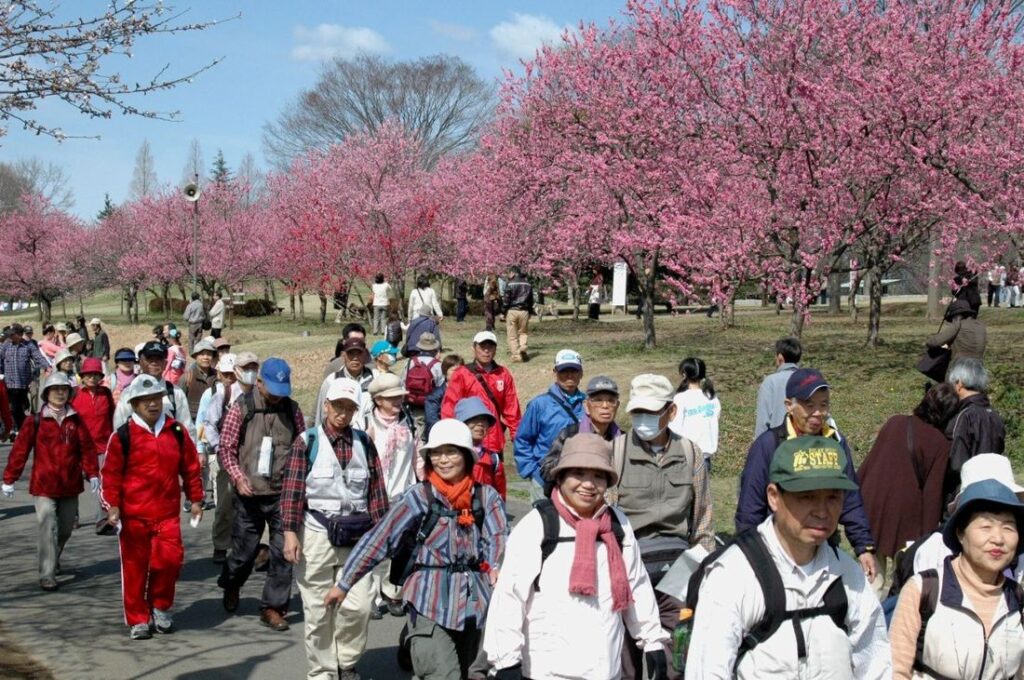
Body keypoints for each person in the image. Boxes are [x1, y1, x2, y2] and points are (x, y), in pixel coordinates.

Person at [686, 436, 891, 679]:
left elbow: (875, 664)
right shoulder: (733, 575)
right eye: (807, 496)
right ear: (774, 497)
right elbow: (707, 671)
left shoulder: (848, 576)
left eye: (833, 497)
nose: (822, 511)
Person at [325, 419, 508, 680]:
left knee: (470, 674)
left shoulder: (486, 497)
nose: (443, 459)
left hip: (473, 604)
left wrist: (495, 567)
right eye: (437, 453)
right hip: (428, 600)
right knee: (444, 675)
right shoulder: (419, 496)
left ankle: (412, 646)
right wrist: (345, 583)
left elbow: (498, 536)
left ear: (467, 456)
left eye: (451, 451)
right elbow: (380, 538)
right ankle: (416, 641)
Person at [485, 434, 668, 680]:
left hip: (605, 669)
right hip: (546, 671)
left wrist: (652, 639)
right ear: (560, 477)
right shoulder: (539, 525)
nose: (588, 484)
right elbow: (509, 596)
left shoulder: (617, 525)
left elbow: (636, 584)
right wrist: (506, 662)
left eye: (598, 475)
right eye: (579, 473)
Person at [280, 377, 389, 680]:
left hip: (357, 535)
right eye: (337, 405)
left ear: (356, 410)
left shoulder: (364, 443)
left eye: (349, 407)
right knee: (317, 611)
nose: (342, 412)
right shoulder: (307, 442)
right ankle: (323, 672)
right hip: (315, 533)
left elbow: (377, 493)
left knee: (360, 606)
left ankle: (346, 662)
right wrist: (289, 533)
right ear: (326, 405)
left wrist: (383, 537)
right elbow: (292, 492)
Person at [612, 373, 715, 680]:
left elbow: (704, 516)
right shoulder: (615, 452)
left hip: (677, 570)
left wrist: (698, 565)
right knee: (623, 661)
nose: (643, 420)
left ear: (671, 412)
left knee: (677, 661)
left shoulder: (690, 452)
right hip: (629, 566)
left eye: (652, 412)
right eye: (638, 413)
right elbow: (607, 518)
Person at [737, 368, 878, 580]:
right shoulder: (769, 445)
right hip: (777, 552)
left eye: (823, 405)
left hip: (823, 548)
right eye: (809, 405)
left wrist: (863, 546)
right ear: (789, 406)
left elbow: (851, 499)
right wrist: (750, 553)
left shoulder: (835, 443)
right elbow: (750, 507)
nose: (817, 413)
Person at [100, 374, 204, 639]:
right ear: (134, 404)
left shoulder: (176, 431)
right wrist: (112, 506)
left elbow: (191, 468)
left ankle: (160, 607)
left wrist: (195, 499)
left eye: (156, 398)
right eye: (145, 400)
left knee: (169, 562)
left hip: (167, 515)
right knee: (135, 569)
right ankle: (138, 619)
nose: (153, 404)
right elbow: (110, 476)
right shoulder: (122, 436)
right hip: (134, 516)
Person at [890, 478, 1024, 678]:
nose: (998, 539)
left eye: (1008, 527)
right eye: (985, 526)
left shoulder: (1017, 598)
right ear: (961, 533)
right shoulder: (924, 589)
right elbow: (896, 670)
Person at [217, 358, 305, 632]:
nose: (278, 396)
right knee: (243, 554)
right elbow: (225, 449)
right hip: (249, 494)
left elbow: (304, 446)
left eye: (283, 390)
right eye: (272, 389)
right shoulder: (240, 409)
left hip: (283, 495)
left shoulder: (292, 410)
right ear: (259, 382)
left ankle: (273, 607)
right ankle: (232, 582)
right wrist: (238, 477)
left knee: (282, 554)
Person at [857, 383, 958, 593]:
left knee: (870, 577)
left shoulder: (895, 422)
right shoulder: (940, 444)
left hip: (871, 503)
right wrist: (929, 536)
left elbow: (870, 462)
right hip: (905, 516)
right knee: (903, 580)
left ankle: (863, 619)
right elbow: (932, 494)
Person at [2, 372, 98, 591]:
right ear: (46, 394)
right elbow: (20, 451)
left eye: (64, 389)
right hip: (44, 485)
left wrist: (92, 473)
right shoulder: (34, 420)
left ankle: (54, 558)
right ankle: (47, 573)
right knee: (47, 526)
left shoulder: (76, 419)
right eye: (55, 390)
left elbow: (87, 449)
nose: (60, 393)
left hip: (70, 484)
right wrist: (9, 478)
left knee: (64, 530)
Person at [364, 372, 418, 618]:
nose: (398, 401)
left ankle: (393, 591)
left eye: (399, 397)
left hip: (403, 494)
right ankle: (372, 596)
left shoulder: (407, 421)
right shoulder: (366, 425)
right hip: (375, 496)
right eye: (392, 398)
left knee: (401, 547)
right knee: (375, 547)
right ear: (378, 400)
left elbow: (416, 455)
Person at [205, 351, 259, 564]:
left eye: (253, 368)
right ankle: (220, 545)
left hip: (253, 459)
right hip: (227, 458)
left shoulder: (260, 393)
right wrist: (220, 447)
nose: (250, 373)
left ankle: (250, 548)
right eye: (245, 368)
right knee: (225, 505)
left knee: (252, 504)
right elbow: (209, 424)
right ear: (236, 370)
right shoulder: (224, 395)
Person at [514, 349, 585, 502]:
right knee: (545, 524)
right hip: (544, 480)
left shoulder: (589, 404)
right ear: (555, 372)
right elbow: (523, 440)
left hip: (580, 482)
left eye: (574, 370)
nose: (569, 375)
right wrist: (533, 473)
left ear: (581, 373)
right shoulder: (539, 404)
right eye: (564, 371)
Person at [441, 330, 521, 459]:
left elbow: (512, 409)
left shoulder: (503, 374)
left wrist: (517, 437)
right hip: (468, 440)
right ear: (474, 348)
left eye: (490, 347)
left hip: (495, 440)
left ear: (495, 349)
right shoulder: (462, 374)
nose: (486, 351)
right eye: (482, 347)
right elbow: (450, 406)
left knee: (495, 476)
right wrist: (451, 436)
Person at [539, 375, 624, 490]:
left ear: (617, 406)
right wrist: (574, 459)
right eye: (598, 400)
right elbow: (546, 470)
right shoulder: (570, 434)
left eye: (611, 401)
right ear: (586, 406)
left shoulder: (623, 440)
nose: (605, 406)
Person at [944, 358, 1006, 506]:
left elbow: (956, 463)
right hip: (992, 489)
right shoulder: (995, 415)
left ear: (959, 384)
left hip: (965, 493)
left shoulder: (964, 416)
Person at [113, 341, 195, 443]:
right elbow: (119, 426)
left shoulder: (175, 393)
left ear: (165, 363)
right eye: (150, 359)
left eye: (159, 359)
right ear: (141, 362)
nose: (154, 363)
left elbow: (187, 429)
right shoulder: (129, 392)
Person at [668, 357, 720, 473]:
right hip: (705, 459)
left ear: (684, 374)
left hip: (684, 459)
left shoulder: (680, 399)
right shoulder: (712, 398)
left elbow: (674, 429)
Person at [314, 337, 376, 429]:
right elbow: (321, 414)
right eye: (351, 353)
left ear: (365, 355)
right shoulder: (331, 381)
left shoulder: (375, 378)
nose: (355, 358)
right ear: (344, 355)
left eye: (359, 353)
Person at [0, 322, 52, 432]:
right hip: (9, 383)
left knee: (21, 407)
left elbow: (38, 357)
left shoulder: (28, 346)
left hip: (23, 383)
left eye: (12, 334)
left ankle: (24, 428)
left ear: (19, 334)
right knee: (14, 408)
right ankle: (22, 428)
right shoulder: (6, 345)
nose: (9, 336)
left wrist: (47, 367)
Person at [456, 396, 507, 500]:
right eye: (474, 419)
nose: (480, 424)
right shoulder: (450, 456)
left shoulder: (493, 459)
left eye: (484, 420)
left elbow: (499, 495)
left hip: (483, 513)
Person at [754, 337, 802, 436]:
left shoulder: (770, 382)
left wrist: (759, 445)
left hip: (778, 443)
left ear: (780, 358)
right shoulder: (807, 379)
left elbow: (763, 421)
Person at [926, 298, 987, 375]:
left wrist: (930, 339)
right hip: (979, 367)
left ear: (957, 316)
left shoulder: (958, 324)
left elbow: (935, 342)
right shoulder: (981, 326)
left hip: (960, 367)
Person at [402, 332, 444, 437]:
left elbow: (402, 381)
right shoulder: (437, 365)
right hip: (431, 405)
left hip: (412, 403)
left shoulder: (410, 362)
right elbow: (441, 387)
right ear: (434, 348)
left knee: (415, 430)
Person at [424, 354, 464, 441]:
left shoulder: (467, 393)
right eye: (454, 370)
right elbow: (431, 421)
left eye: (460, 370)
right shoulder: (435, 396)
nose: (458, 373)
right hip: (441, 438)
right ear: (445, 371)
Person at [501, 267, 534, 363]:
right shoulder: (528, 284)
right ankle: (523, 347)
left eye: (509, 273)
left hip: (512, 311)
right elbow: (531, 300)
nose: (508, 275)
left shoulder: (510, 283)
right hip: (524, 311)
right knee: (523, 332)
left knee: (512, 335)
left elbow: (506, 300)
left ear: (513, 273)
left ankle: (516, 355)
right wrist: (530, 312)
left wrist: (503, 312)